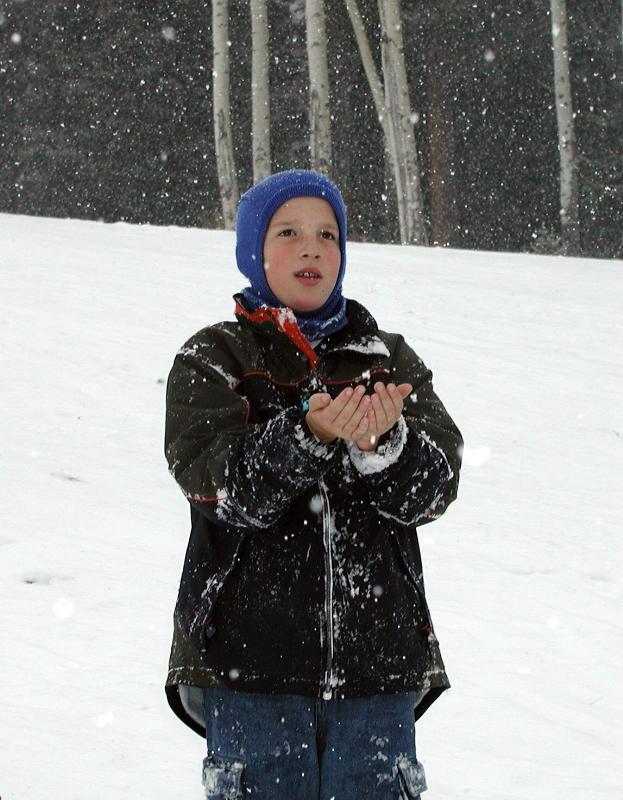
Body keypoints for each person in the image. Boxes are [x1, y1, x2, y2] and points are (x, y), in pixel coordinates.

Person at [164, 169, 463, 799]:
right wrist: (306, 435)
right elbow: (217, 488)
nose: (311, 247)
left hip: (378, 668)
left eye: (327, 234)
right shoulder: (214, 357)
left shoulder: (389, 359)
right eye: (289, 232)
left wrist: (386, 446)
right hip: (250, 669)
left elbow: (435, 488)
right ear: (253, 250)